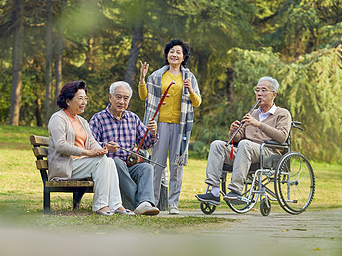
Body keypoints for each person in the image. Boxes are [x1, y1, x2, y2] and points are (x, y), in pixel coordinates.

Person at [195, 77, 291, 206]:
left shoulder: (282, 114)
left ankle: (236, 190)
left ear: (274, 94)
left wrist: (259, 124)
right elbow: (238, 138)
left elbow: (282, 137)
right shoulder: (253, 113)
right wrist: (233, 131)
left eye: (264, 90)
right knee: (217, 144)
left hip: (268, 152)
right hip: (245, 151)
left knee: (245, 145)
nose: (259, 93)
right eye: (257, 90)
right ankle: (215, 192)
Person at [47, 81, 134, 216]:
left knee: (109, 161)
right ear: (68, 101)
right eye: (80, 98)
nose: (84, 102)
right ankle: (100, 205)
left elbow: (92, 142)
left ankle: (116, 204)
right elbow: (60, 145)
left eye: (85, 99)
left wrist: (102, 149)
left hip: (81, 165)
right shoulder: (58, 118)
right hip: (65, 167)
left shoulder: (82, 121)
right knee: (101, 162)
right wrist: (87, 152)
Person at [139, 38, 202, 215]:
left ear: (184, 57)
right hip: (159, 125)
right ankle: (152, 201)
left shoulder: (189, 77)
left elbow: (197, 103)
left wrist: (190, 90)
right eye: (171, 52)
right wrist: (142, 80)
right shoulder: (157, 75)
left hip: (180, 127)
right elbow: (145, 97)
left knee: (176, 166)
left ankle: (173, 203)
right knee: (156, 165)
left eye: (178, 52)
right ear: (167, 55)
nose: (174, 55)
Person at [89, 81, 160, 216]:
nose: (122, 101)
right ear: (110, 97)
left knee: (147, 168)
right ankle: (141, 204)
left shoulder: (133, 118)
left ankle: (145, 202)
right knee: (116, 162)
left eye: (125, 98)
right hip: (109, 167)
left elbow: (145, 144)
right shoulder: (98, 119)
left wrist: (153, 133)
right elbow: (90, 144)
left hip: (130, 165)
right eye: (118, 97)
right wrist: (105, 146)